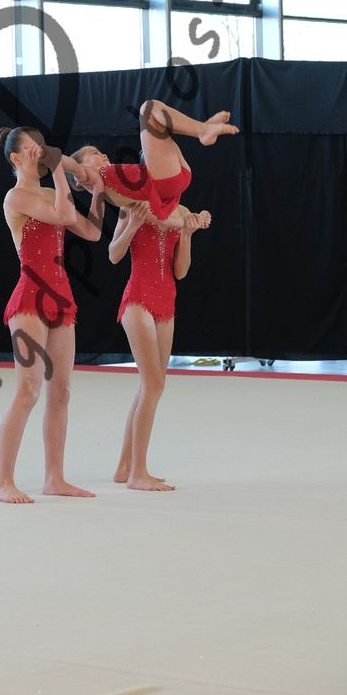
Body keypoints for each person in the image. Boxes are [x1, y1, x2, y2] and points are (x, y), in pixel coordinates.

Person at [0, 125, 105, 504]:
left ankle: (54, 478)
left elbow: (91, 232)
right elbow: (61, 215)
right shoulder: (16, 196)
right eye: (31, 149)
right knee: (28, 390)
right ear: (15, 158)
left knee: (62, 391)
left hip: (60, 295)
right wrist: (60, 168)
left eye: (41, 146)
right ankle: (3, 482)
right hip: (31, 297)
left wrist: (98, 191)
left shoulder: (47, 192)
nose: (39, 152)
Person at [108, 200, 212, 490]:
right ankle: (138, 473)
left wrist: (187, 235)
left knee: (151, 385)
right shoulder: (133, 207)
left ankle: (125, 466)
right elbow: (114, 254)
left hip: (166, 300)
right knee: (152, 385)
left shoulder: (181, 212)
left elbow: (180, 271)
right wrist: (133, 225)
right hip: (138, 297)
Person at [66, 100, 238, 220]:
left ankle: (203, 127)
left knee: (159, 124)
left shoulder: (109, 186)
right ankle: (203, 129)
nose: (103, 155)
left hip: (171, 179)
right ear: (78, 176)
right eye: (94, 153)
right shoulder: (88, 176)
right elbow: (71, 167)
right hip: (164, 182)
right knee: (148, 108)